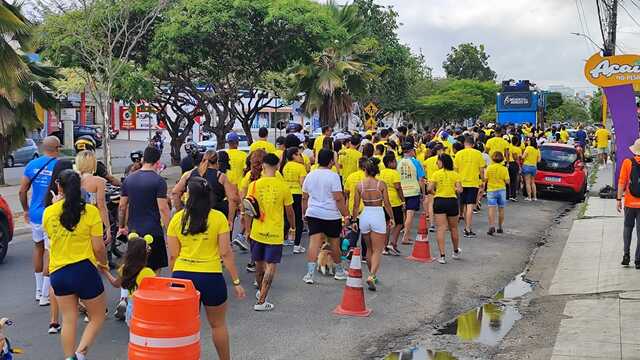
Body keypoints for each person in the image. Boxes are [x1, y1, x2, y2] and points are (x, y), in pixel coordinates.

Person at [168, 177, 245, 358]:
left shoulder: (177, 219)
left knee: (183, 326)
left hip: (183, 276)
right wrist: (236, 281)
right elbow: (225, 253)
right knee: (218, 325)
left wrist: (174, 279)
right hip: (211, 275)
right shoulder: (218, 218)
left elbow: (173, 255)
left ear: (188, 195)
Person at [42, 169, 108, 360]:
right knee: (97, 316)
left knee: (68, 319)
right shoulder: (91, 212)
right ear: (80, 187)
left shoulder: (49, 213)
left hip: (59, 272)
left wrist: (56, 205)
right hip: (84, 269)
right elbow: (98, 247)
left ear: (58, 187)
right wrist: (103, 265)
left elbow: (52, 238)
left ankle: (69, 357)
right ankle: (80, 353)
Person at [246, 154, 294, 311]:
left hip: (257, 231)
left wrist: (247, 230)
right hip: (274, 232)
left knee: (259, 265)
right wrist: (293, 227)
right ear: (278, 166)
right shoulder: (283, 186)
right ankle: (261, 301)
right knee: (271, 266)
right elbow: (290, 212)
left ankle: (261, 293)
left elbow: (247, 209)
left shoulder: (254, 185)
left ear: (263, 166)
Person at [18, 136, 60, 306]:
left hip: (35, 214)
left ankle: (37, 290)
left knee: (38, 247)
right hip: (52, 213)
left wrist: (26, 210)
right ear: (57, 148)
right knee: (50, 251)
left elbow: (22, 191)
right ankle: (45, 294)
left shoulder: (32, 165)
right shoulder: (59, 165)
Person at [118, 147, 171, 272]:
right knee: (154, 269)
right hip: (153, 232)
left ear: (143, 159)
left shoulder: (129, 179)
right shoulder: (159, 181)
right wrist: (170, 231)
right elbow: (163, 209)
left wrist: (122, 226)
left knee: (134, 268)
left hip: (134, 232)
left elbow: (122, 206)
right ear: (157, 162)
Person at [302, 149, 349, 284]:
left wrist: (304, 212)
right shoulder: (333, 176)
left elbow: (305, 196)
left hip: (314, 213)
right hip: (331, 215)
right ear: (331, 162)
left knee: (314, 243)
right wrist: (346, 215)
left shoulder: (310, 175)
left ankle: (310, 274)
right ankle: (339, 271)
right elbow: (338, 198)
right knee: (334, 243)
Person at [351, 158, 394, 291]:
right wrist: (392, 217)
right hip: (378, 215)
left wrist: (353, 220)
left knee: (369, 249)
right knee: (378, 250)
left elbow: (356, 205)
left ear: (365, 170)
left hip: (364, 215)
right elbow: (386, 203)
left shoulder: (359, 185)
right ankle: (372, 275)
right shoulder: (381, 184)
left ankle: (372, 274)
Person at [43, 160, 74, 335]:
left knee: (56, 279)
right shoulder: (69, 196)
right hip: (66, 240)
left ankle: (54, 321)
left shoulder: (50, 193)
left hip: (53, 240)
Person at [172, 150, 239, 226]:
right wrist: (230, 220)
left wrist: (180, 211)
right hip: (215, 216)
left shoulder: (189, 174)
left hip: (193, 216)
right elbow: (232, 199)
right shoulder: (220, 176)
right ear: (217, 162)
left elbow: (175, 193)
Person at [101, 235, 155, 325]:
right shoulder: (147, 273)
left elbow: (116, 284)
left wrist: (105, 271)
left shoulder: (124, 268)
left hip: (130, 308)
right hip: (143, 308)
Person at [428, 154, 463, 264]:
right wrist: (454, 190)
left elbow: (429, 189)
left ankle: (442, 256)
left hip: (439, 201)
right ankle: (456, 251)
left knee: (441, 228)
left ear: (442, 162)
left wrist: (436, 193)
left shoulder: (436, 174)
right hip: (452, 201)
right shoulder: (455, 174)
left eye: (438, 161)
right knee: (454, 228)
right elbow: (460, 190)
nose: (437, 163)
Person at [75, 151, 111, 246]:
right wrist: (107, 227)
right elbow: (101, 206)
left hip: (77, 220)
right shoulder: (99, 181)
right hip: (93, 220)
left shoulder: (73, 180)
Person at [453, 136, 485, 238]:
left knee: (464, 204)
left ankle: (462, 227)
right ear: (473, 144)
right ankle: (467, 228)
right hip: (473, 182)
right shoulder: (478, 154)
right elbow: (481, 169)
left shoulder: (458, 154)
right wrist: (483, 180)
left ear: (464, 144)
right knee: (470, 205)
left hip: (461, 182)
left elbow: (455, 170)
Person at [616, 138, 640, 268]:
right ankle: (638, 260)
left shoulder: (627, 162)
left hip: (630, 203)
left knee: (627, 229)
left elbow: (621, 182)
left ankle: (626, 255)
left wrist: (619, 199)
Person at [281, 147, 307, 253]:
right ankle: (297, 245)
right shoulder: (301, 167)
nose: (300, 157)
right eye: (298, 155)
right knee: (298, 220)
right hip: (297, 194)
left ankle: (284, 238)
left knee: (287, 217)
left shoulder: (285, 166)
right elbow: (302, 183)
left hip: (286, 193)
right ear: (293, 155)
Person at [398, 142, 425, 244]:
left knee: (405, 213)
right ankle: (405, 237)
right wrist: (423, 193)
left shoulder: (398, 162)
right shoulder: (416, 162)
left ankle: (407, 235)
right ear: (411, 151)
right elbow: (421, 179)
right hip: (413, 190)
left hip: (402, 191)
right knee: (410, 214)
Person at [379, 155, 405, 255]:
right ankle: (392, 243)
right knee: (399, 223)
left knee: (387, 224)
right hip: (394, 202)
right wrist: (403, 200)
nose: (396, 163)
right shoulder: (394, 173)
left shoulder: (381, 173)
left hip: (383, 202)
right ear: (390, 162)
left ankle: (384, 248)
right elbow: (398, 187)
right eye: (394, 161)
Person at [485, 152, 510, 235]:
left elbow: (485, 179)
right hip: (501, 190)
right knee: (501, 209)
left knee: (491, 209)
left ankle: (491, 226)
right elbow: (507, 181)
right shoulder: (504, 169)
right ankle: (500, 227)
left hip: (491, 190)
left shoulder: (489, 168)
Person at [508, 136, 522, 201]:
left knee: (509, 180)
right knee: (514, 181)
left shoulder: (509, 146)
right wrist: (519, 166)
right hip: (514, 164)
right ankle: (513, 196)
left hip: (508, 163)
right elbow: (517, 158)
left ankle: (508, 194)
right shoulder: (518, 149)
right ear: (517, 142)